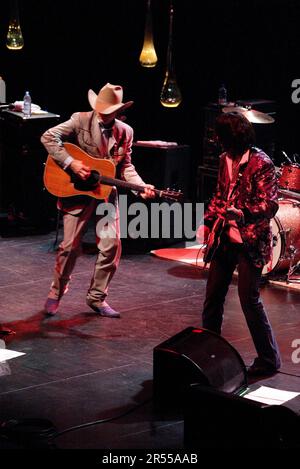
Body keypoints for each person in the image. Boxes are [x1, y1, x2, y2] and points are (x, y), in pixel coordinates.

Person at [41, 83, 155, 318]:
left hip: (105, 193)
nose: (103, 112)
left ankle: (97, 297)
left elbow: (125, 166)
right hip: (78, 190)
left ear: (118, 110)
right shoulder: (79, 120)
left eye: (109, 109)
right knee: (69, 246)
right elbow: (48, 137)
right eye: (101, 108)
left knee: (111, 245)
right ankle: (56, 292)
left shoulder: (125, 132)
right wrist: (71, 163)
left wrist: (140, 187)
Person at [197, 112, 281, 376]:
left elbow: (270, 204)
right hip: (225, 237)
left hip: (250, 239)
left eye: (221, 137)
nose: (218, 142)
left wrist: (242, 212)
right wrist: (208, 222)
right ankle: (209, 351)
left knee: (249, 299)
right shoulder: (225, 160)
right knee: (213, 298)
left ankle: (269, 359)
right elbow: (220, 195)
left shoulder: (261, 163)